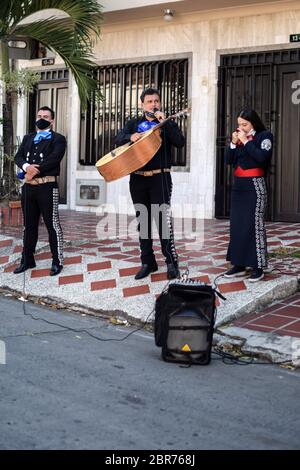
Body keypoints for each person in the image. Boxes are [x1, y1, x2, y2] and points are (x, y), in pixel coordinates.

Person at [115, 88, 185, 280]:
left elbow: (180, 142)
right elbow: (117, 139)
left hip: (160, 178)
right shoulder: (133, 124)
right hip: (137, 178)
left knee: (162, 221)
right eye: (149, 101)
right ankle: (148, 262)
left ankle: (171, 262)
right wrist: (130, 137)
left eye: (156, 101)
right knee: (143, 222)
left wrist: (166, 123)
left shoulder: (166, 123)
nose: (153, 104)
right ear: (142, 104)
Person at [14, 106, 66, 276]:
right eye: (39, 115)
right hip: (29, 188)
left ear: (52, 120)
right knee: (29, 226)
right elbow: (18, 156)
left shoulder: (58, 138)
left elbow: (54, 158)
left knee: (53, 225)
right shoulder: (28, 137)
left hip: (47, 187)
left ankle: (57, 261)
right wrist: (27, 166)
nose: (41, 118)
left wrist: (34, 170)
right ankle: (27, 259)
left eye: (45, 116)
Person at [224, 108, 273, 282]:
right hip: (239, 186)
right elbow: (228, 160)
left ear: (253, 123)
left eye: (244, 124)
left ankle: (258, 266)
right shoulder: (239, 138)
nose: (241, 127)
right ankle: (238, 264)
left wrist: (246, 141)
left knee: (254, 224)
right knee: (237, 224)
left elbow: (262, 158)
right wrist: (232, 143)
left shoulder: (264, 136)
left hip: (255, 185)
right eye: (239, 124)